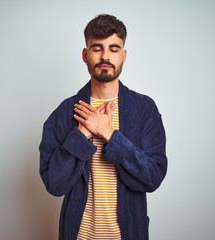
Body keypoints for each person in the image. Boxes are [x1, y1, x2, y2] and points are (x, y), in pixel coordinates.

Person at [39, 14, 167, 240]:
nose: (105, 56)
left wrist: (108, 133)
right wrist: (81, 134)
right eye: (97, 48)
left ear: (124, 56)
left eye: (114, 48)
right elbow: (55, 184)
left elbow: (152, 177)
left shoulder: (144, 109)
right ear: (85, 55)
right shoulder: (65, 112)